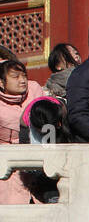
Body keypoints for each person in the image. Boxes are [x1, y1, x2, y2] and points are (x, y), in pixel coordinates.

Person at [0, 61, 44, 205]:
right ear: (1, 83)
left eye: (24, 75)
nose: (22, 80)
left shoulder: (35, 89)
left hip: (40, 163)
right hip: (9, 169)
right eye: (15, 76)